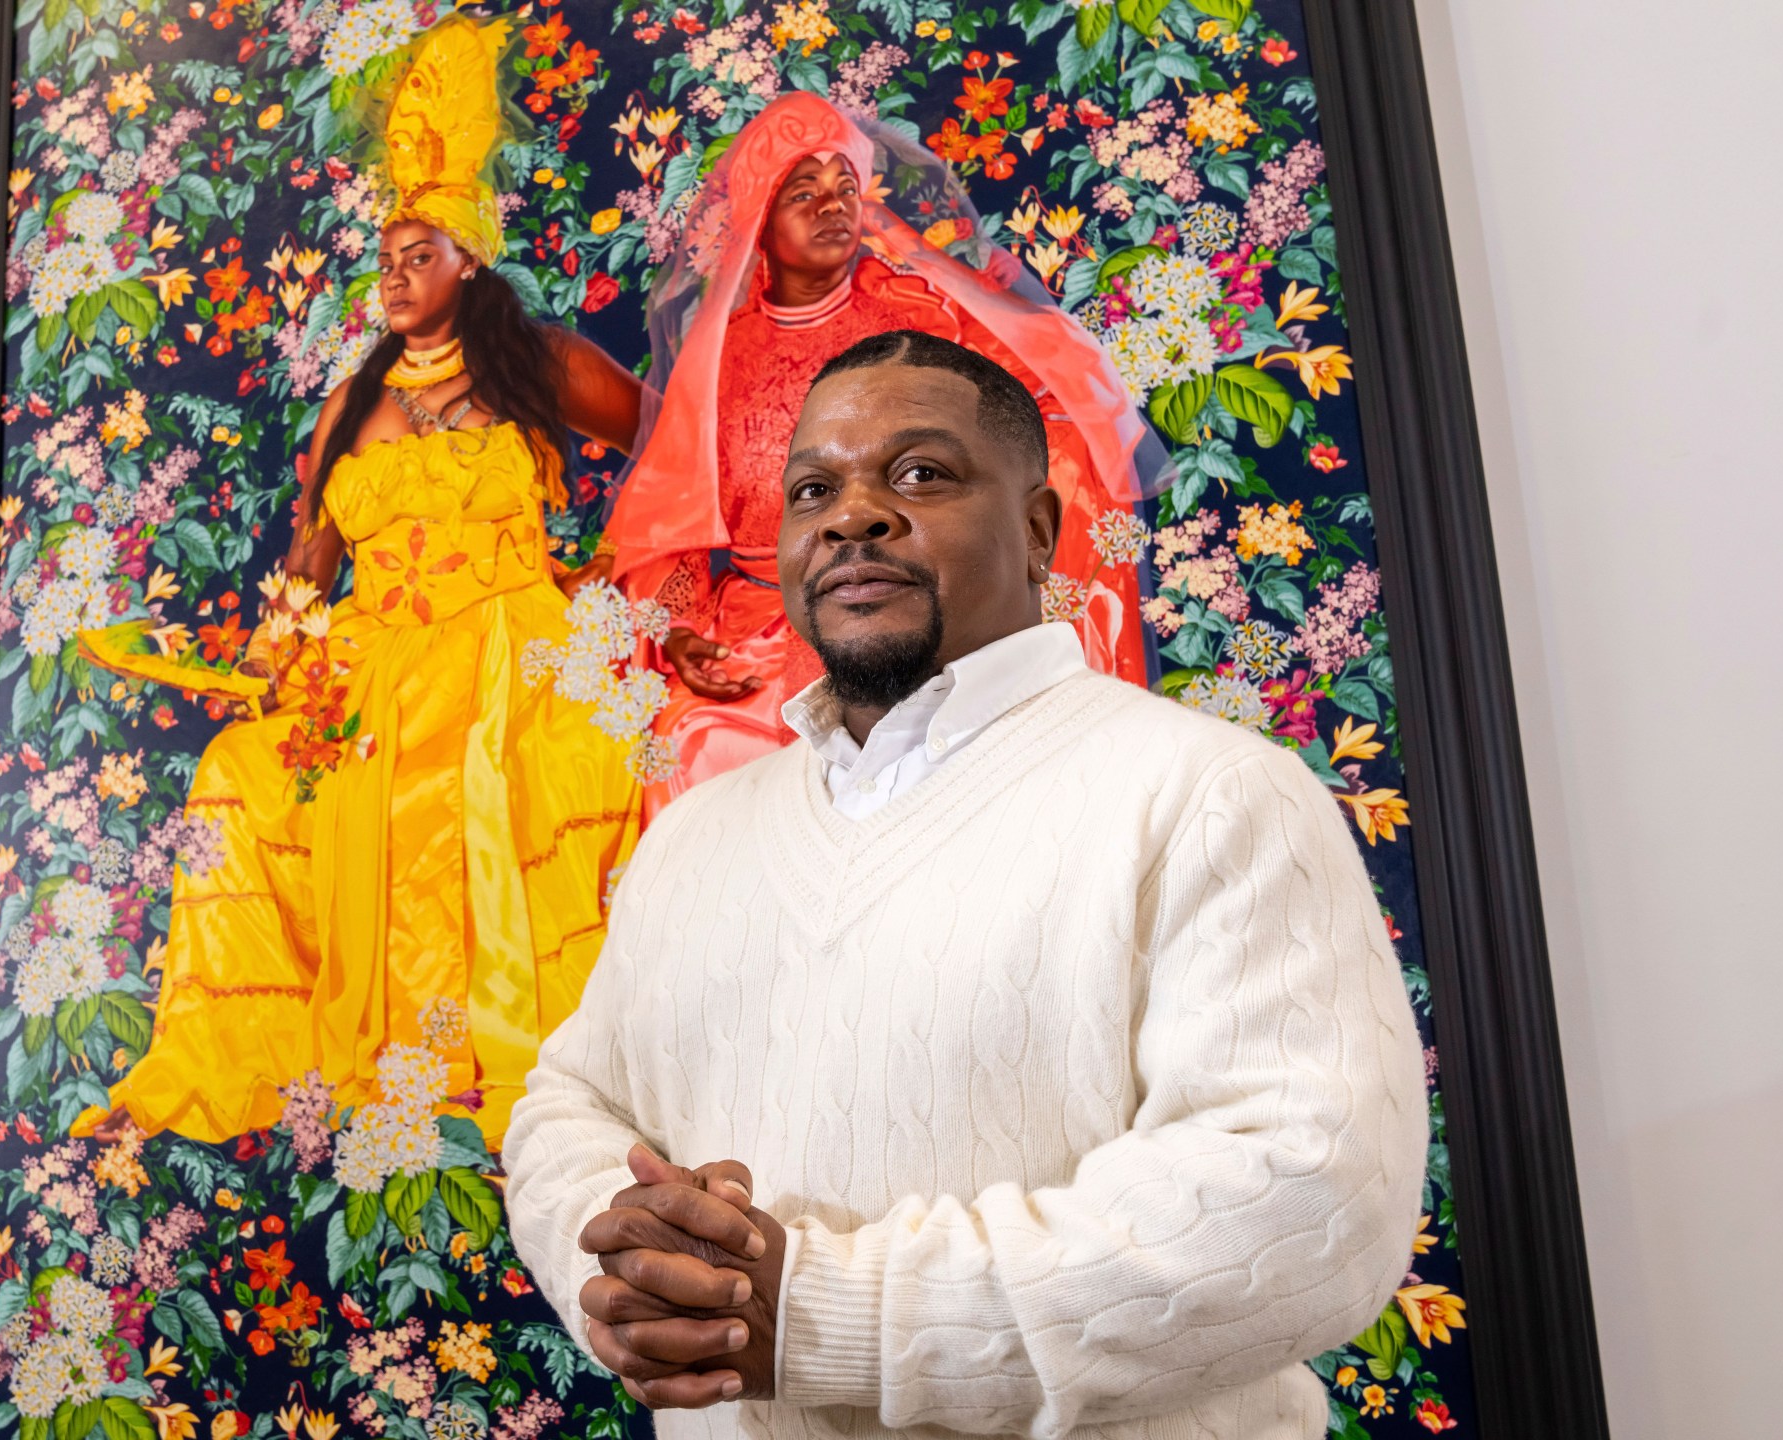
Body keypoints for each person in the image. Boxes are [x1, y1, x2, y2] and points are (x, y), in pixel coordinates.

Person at [503, 331, 1426, 1439]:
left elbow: (1306, 1206)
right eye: (814, 489)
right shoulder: (695, 835)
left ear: (1037, 530)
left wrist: (812, 1311)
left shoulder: (1208, 795)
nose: (853, 515)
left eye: (918, 475)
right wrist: (641, 1273)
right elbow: (569, 1105)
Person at [75, 15, 654, 1148]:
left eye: (417, 256)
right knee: (242, 772)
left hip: (512, 653)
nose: (392, 277)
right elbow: (309, 555)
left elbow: (676, 461)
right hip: (374, 664)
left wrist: (613, 581)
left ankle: (535, 1081)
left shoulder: (540, 365)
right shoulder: (353, 401)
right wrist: (276, 657)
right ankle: (240, 1059)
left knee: (549, 770)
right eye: (384, 260)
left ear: (468, 261)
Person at [590, 92, 1166, 815]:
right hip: (757, 632)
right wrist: (678, 631)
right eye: (804, 192)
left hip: (916, 608)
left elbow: (1041, 423)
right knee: (691, 738)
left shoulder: (923, 318)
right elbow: (668, 522)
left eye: (846, 190)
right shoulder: (718, 360)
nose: (832, 207)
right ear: (759, 220)